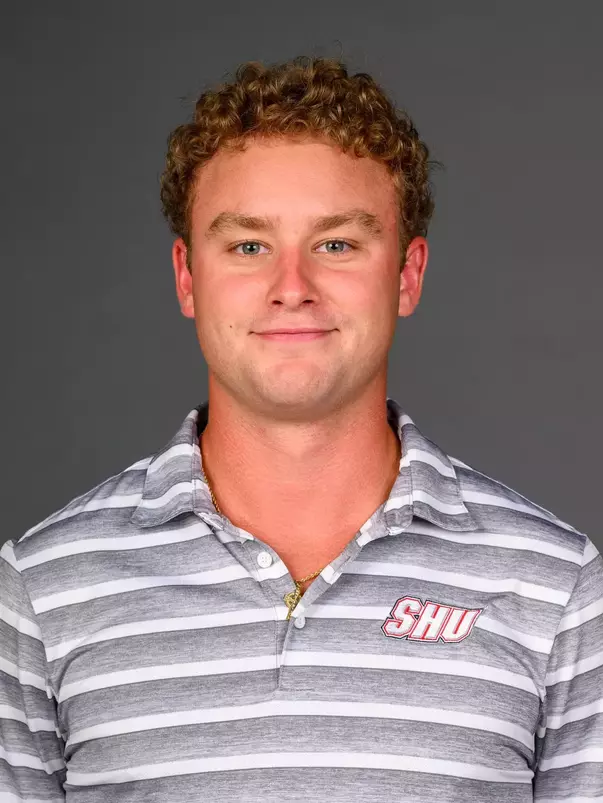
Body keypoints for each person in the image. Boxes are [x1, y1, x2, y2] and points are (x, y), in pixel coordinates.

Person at [1, 56, 601, 803]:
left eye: (337, 244)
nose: (292, 287)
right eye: (248, 245)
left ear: (407, 275)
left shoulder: (559, 589)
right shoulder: (39, 590)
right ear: (187, 277)